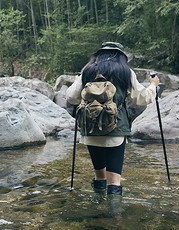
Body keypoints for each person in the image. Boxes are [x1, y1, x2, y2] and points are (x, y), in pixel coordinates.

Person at [66, 42, 159, 202]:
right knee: (114, 181)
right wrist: (153, 86)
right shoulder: (125, 71)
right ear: (121, 56)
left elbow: (71, 97)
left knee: (99, 176)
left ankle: (97, 211)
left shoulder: (87, 70)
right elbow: (143, 98)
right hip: (116, 131)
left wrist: (77, 81)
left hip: (91, 131)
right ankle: (114, 217)